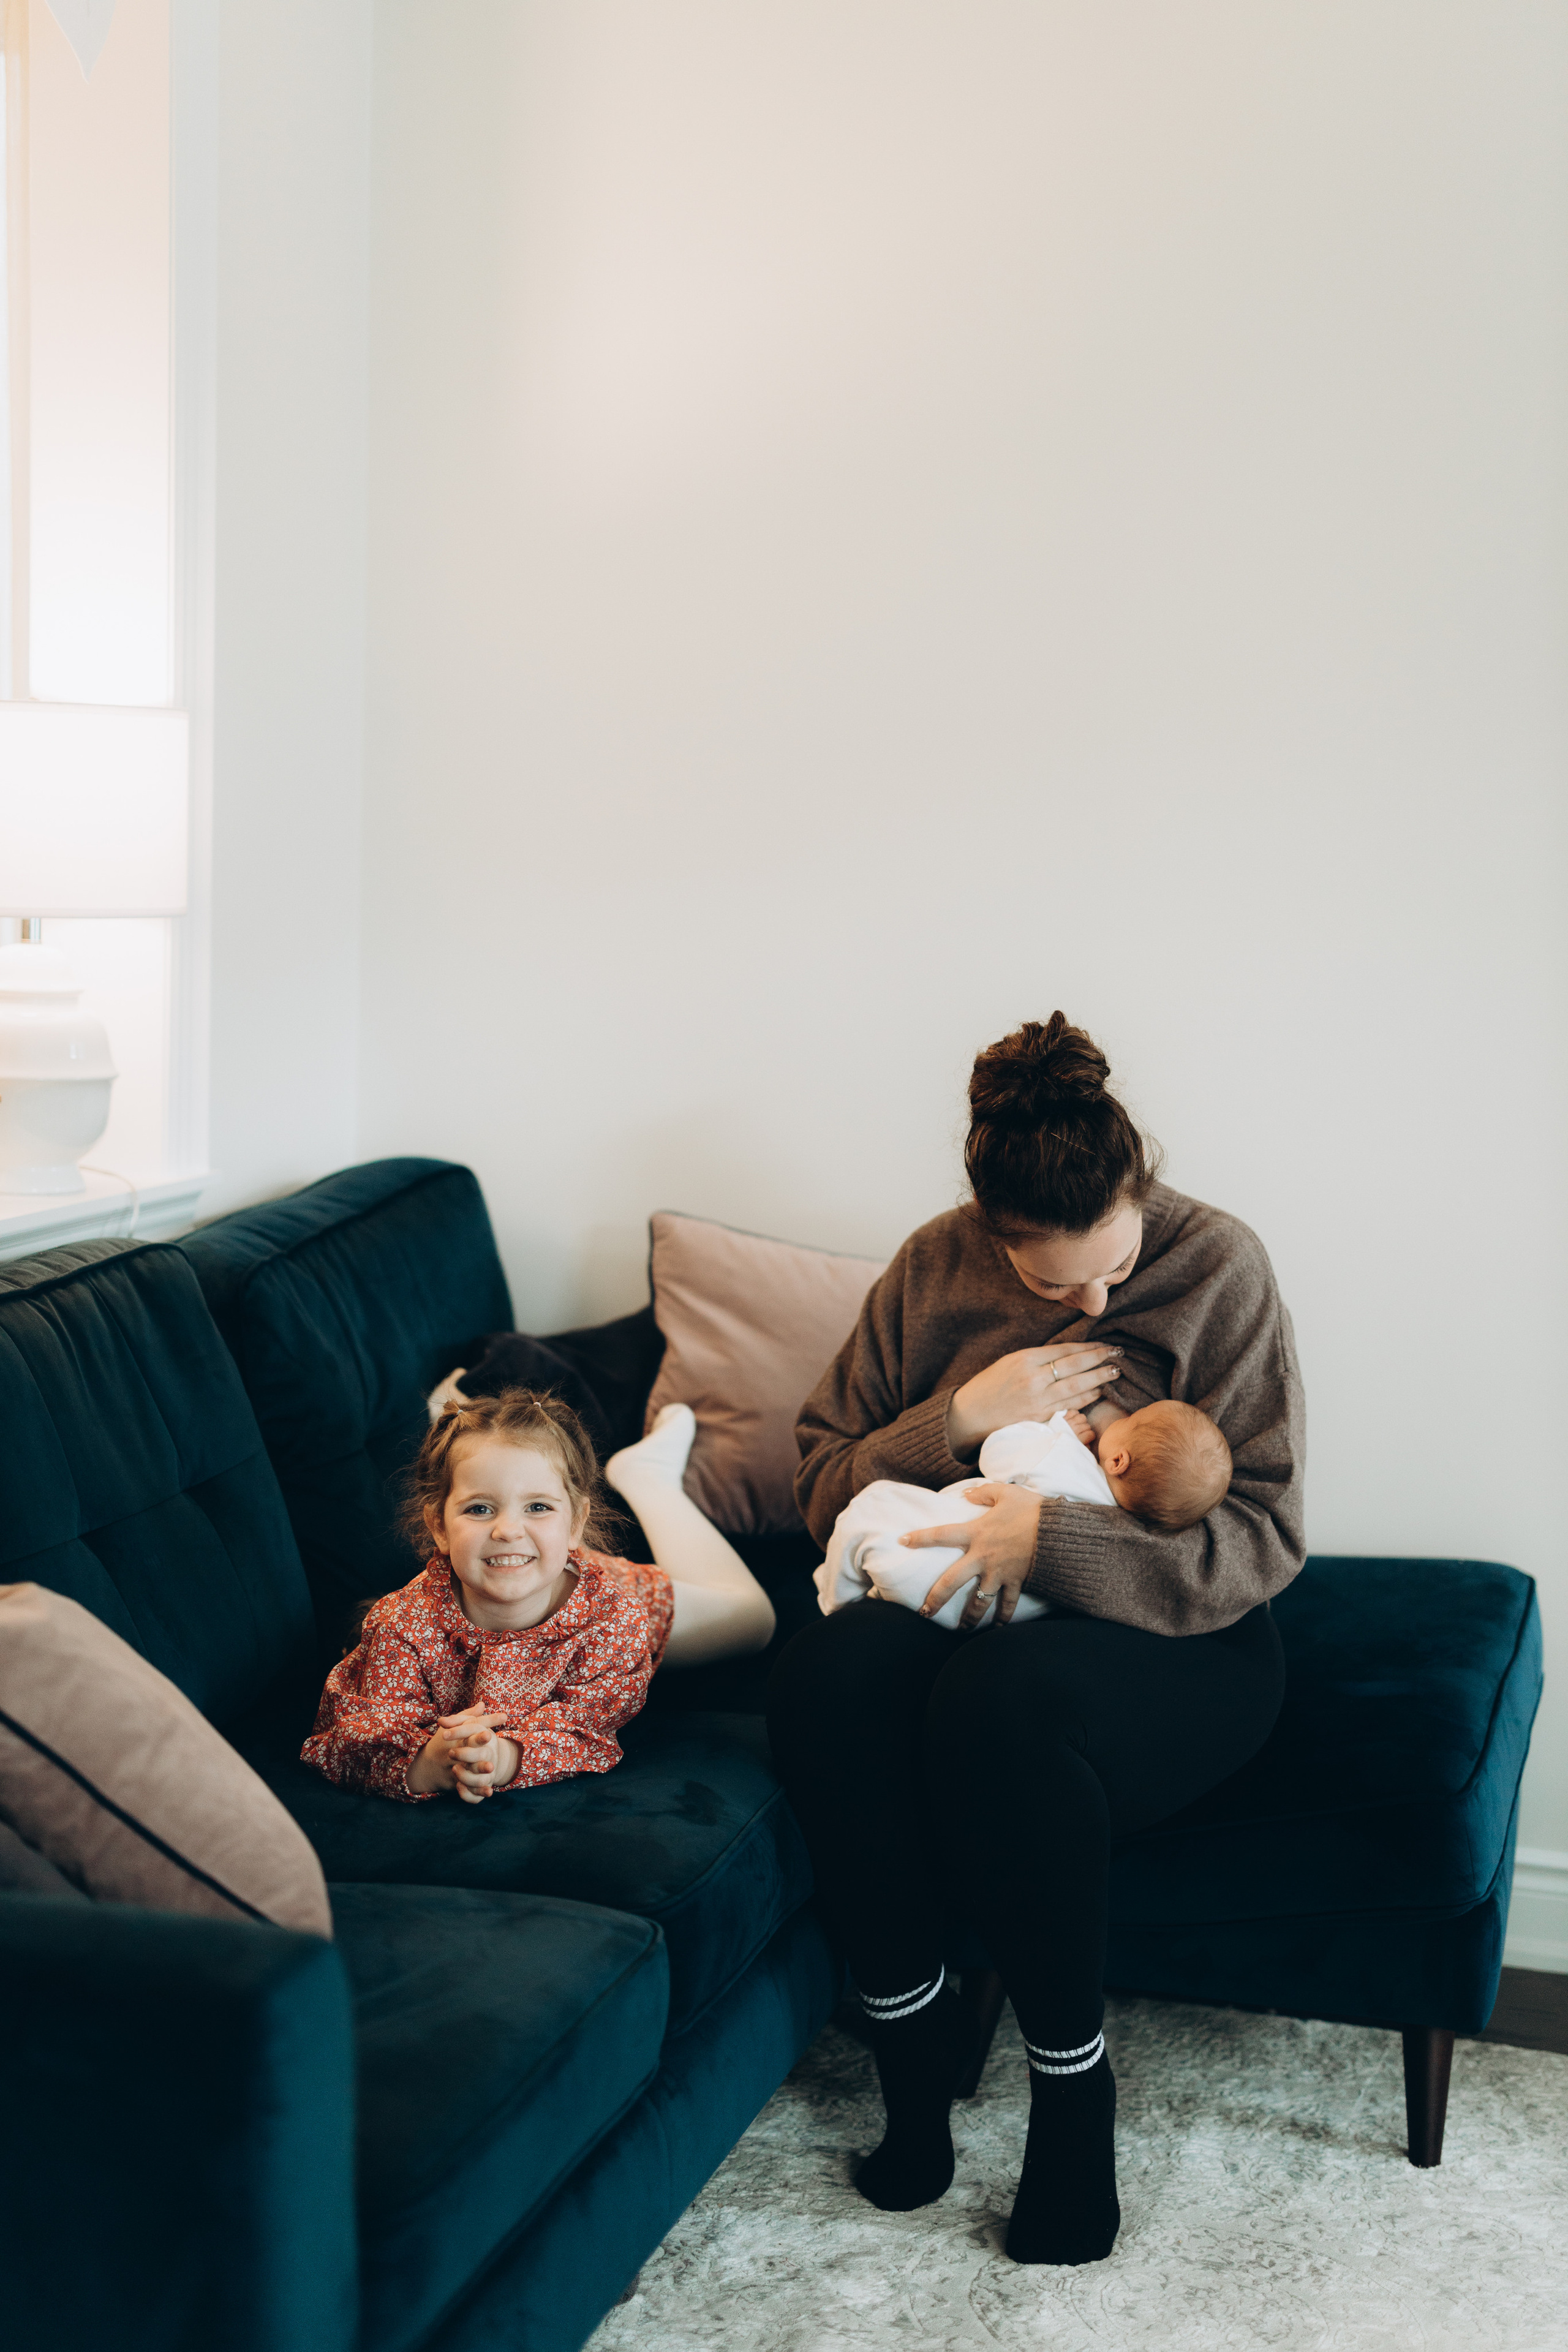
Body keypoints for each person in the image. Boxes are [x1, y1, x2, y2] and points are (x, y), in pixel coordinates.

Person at [767, 1012, 1303, 2266]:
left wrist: (1052, 1547)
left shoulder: (1220, 1264)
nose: (1094, 1300)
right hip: (957, 1600)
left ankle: (1071, 2096)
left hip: (1185, 1636)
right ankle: (916, 2047)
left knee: (1000, 1701)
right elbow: (820, 1479)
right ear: (990, 1233)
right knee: (827, 1673)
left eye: (1112, 1266)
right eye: (1054, 1285)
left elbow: (1264, 1534)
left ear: (1137, 1186)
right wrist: (959, 1416)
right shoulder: (929, 1268)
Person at [303, 1389, 774, 1802]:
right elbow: (354, 1738)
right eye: (480, 1507)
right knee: (525, 1546)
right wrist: (427, 1763)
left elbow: (585, 1729)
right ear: (438, 1527)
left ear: (577, 1522)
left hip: (605, 1591)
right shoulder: (402, 1625)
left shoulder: (614, 1620)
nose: (507, 1529)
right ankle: (509, 1486)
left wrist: (505, 1758)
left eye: (537, 1506)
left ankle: (647, 1478)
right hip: (543, 1563)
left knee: (754, 1619)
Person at [818, 1400, 1232, 1630]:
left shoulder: (1064, 1458)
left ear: (1119, 1460)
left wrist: (1056, 1429)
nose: (1121, 1418)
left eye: (1131, 1419)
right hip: (981, 1615)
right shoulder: (1120, 1523)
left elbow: (996, 1453)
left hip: (926, 1559)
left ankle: (834, 1598)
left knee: (871, 1506)